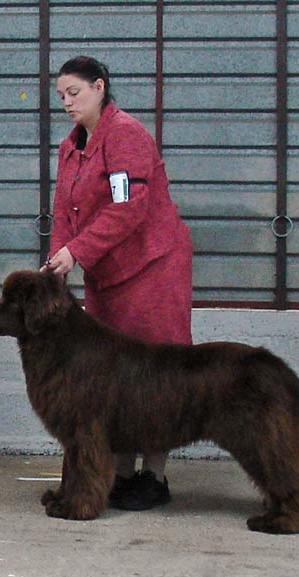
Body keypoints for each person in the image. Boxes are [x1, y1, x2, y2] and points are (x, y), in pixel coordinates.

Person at [43, 56, 194, 511]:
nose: (67, 103)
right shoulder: (72, 146)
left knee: (155, 371)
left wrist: (78, 252)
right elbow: (64, 213)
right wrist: (57, 260)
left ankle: (155, 475)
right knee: (112, 376)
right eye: (61, 96)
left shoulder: (126, 135)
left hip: (152, 268)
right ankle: (122, 473)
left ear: (100, 88)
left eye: (75, 93)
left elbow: (128, 208)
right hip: (106, 273)